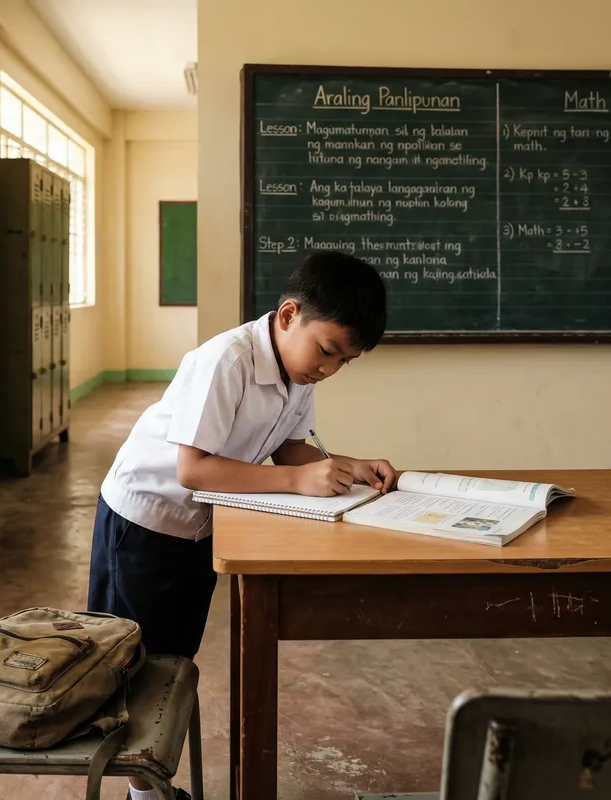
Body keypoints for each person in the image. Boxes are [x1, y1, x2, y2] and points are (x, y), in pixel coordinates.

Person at [88, 250, 396, 800]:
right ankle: (143, 794)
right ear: (289, 315)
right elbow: (193, 469)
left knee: (173, 663)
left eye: (343, 362)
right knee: (134, 669)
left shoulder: (297, 371)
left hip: (200, 526)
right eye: (327, 351)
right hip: (143, 523)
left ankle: (149, 787)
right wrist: (298, 481)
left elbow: (292, 449)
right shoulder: (226, 361)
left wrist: (348, 467)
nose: (328, 369)